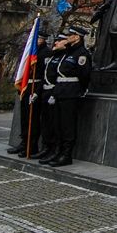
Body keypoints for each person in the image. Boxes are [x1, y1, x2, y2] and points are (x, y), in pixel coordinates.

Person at [48, 26, 92, 167]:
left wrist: (80, 91)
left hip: (71, 92)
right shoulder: (67, 52)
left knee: (68, 125)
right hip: (60, 91)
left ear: (77, 37)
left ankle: (66, 155)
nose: (67, 37)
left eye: (70, 35)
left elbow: (84, 75)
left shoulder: (82, 54)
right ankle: (58, 151)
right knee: (58, 124)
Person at [8, 29, 51, 156]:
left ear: (42, 40)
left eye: (37, 39)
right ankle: (24, 142)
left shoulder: (46, 53)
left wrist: (37, 91)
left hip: (36, 86)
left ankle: (31, 145)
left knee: (33, 118)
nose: (34, 41)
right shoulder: (29, 51)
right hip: (27, 86)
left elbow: (45, 74)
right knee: (24, 117)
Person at [38, 33, 68, 164]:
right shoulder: (53, 56)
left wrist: (54, 93)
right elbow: (44, 75)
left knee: (54, 124)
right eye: (56, 41)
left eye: (59, 41)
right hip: (46, 91)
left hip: (55, 92)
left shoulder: (64, 57)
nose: (55, 43)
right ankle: (46, 147)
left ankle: (55, 150)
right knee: (45, 122)